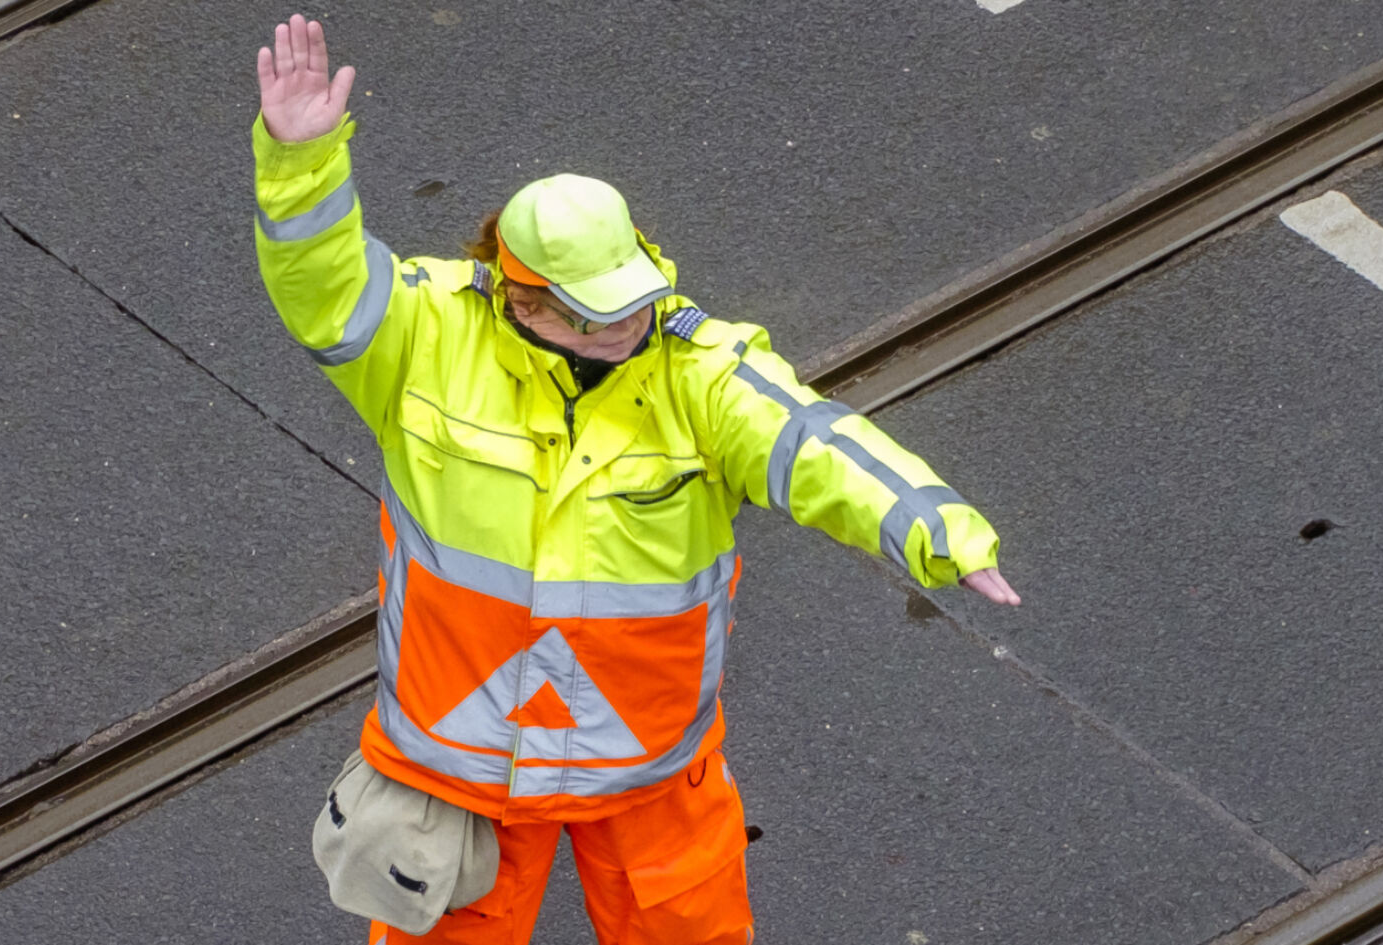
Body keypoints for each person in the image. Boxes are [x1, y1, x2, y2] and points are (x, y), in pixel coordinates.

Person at [252, 14, 1020, 944]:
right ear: (519, 296)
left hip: (643, 765)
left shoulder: (702, 374)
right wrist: (302, 160)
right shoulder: (425, 337)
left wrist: (938, 530)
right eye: (592, 318)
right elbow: (322, 286)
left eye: (631, 305)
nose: (624, 329)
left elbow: (815, 444)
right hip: (462, 764)